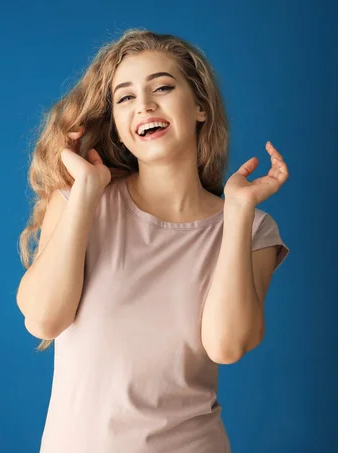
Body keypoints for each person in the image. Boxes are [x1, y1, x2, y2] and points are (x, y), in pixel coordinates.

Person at [16, 28, 290, 453]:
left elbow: (227, 344)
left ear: (199, 107)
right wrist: (86, 195)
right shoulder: (78, 203)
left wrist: (237, 214)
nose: (144, 104)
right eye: (125, 97)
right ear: (119, 126)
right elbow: (42, 320)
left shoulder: (253, 228)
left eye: (162, 87)